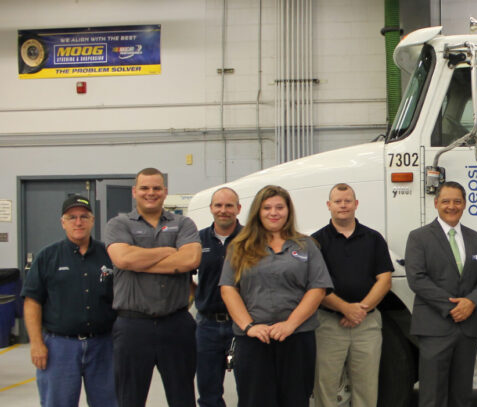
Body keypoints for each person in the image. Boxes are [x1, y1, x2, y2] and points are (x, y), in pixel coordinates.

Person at [220, 184, 333, 407]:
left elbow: (317, 289)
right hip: (253, 340)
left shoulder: (307, 246)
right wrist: (249, 326)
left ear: (288, 211)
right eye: (267, 208)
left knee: (295, 400)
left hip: (296, 338)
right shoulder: (239, 247)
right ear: (258, 211)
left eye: (280, 207)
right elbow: (228, 289)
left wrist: (290, 325)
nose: (274, 213)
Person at [105, 168, 201, 407]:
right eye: (145, 188)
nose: (151, 193)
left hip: (176, 324)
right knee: (130, 400)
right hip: (132, 326)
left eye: (156, 188)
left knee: (183, 398)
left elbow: (190, 260)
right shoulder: (118, 224)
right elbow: (123, 259)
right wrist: (169, 252)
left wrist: (139, 262)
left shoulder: (183, 223)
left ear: (165, 192)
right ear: (134, 191)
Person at [405, 181, 477, 407]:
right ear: (436, 203)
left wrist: (471, 302)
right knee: (432, 396)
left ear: (464, 204)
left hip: (468, 328)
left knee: (462, 396)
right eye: (445, 201)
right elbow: (417, 278)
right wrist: (453, 307)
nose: (451, 206)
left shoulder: (476, 238)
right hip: (435, 327)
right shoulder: (419, 237)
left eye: (457, 201)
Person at [22, 195, 116, 407]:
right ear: (62, 222)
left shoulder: (109, 255)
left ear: (92, 220)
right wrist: (36, 343)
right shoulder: (47, 257)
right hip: (59, 347)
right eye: (72, 217)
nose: (78, 222)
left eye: (84, 216)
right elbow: (32, 302)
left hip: (104, 346)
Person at [312, 184, 394, 407]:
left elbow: (384, 280)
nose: (343, 205)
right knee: (325, 388)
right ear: (329, 205)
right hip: (328, 325)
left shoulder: (373, 238)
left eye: (348, 201)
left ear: (356, 204)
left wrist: (360, 310)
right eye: (338, 201)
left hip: (366, 325)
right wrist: (345, 308)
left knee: (366, 388)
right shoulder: (315, 242)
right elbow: (315, 286)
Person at [195, 187, 243, 407]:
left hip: (242, 325)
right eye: (219, 205)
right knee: (209, 393)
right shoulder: (197, 240)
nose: (223, 210)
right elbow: (185, 275)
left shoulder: (250, 239)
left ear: (238, 208)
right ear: (211, 208)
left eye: (229, 205)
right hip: (207, 326)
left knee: (250, 389)